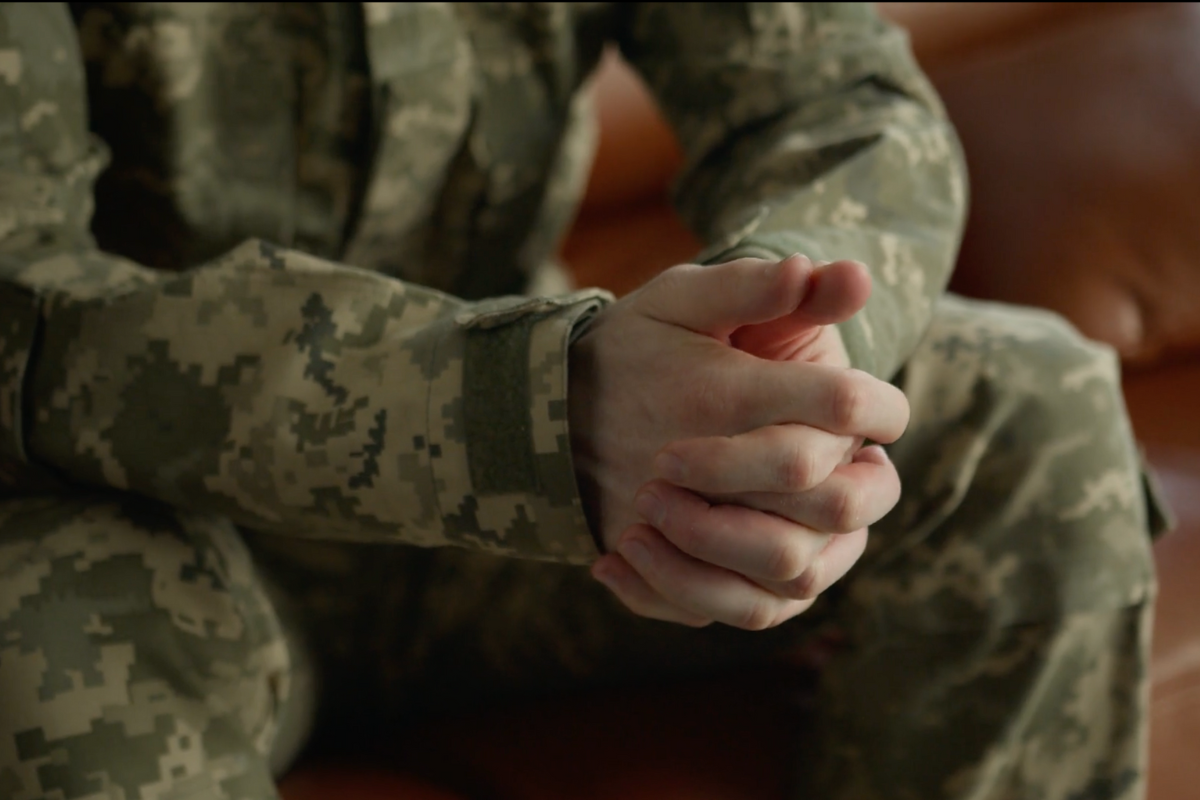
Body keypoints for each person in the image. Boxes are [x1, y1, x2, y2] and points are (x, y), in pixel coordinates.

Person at [0, 3, 1165, 799]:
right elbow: (23, 300)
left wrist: (773, 358)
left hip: (551, 521)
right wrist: (531, 411)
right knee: (44, 634)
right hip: (150, 517)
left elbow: (844, 104)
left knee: (1034, 405)